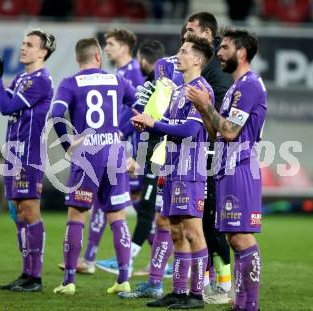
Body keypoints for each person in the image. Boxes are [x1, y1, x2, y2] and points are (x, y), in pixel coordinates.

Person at [131, 35, 215, 309]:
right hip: (171, 167)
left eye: (184, 51)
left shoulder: (200, 89)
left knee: (193, 232)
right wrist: (147, 121)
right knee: (175, 231)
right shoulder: (179, 91)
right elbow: (170, 123)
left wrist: (154, 124)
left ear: (197, 60)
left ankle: (196, 295)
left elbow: (190, 130)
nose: (177, 55)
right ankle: (179, 292)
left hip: (190, 170)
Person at [186, 27, 267, 311]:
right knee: (233, 237)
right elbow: (216, 132)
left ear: (241, 53)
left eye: (225, 48)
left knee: (242, 237)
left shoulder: (249, 85)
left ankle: (250, 305)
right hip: (225, 166)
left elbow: (231, 132)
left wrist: (207, 105)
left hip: (241, 166)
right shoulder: (236, 86)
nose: (218, 53)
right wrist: (201, 110)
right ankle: (241, 304)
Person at [51, 37, 136, 296]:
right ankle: (123, 279)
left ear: (79, 59)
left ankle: (68, 281)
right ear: (98, 56)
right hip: (114, 153)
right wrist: (120, 132)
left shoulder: (70, 82)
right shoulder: (117, 81)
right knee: (117, 217)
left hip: (86, 154)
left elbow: (55, 114)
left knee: (77, 216)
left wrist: (67, 144)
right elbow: (139, 107)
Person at [0, 28, 56, 292]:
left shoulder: (41, 80)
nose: (23, 48)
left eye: (30, 44)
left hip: (29, 154)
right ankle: (26, 273)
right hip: (14, 153)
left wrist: (0, 81)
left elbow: (10, 107)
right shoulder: (23, 77)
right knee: (17, 212)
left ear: (42, 51)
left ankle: (35, 277)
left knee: (30, 211)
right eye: (23, 43)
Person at [78, 28, 146, 275]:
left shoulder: (133, 73)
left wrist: (121, 131)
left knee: (140, 205)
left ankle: (162, 258)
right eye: (105, 44)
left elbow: (141, 109)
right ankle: (89, 259)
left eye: (111, 44)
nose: (106, 48)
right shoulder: (118, 74)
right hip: (118, 146)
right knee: (106, 200)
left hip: (129, 147)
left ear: (125, 47)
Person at [185, 11, 234, 304]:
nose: (186, 35)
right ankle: (203, 282)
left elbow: (220, 115)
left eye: (191, 30)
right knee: (197, 221)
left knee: (211, 222)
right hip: (198, 151)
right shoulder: (201, 67)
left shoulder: (215, 69)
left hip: (213, 152)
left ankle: (225, 285)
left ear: (207, 34)